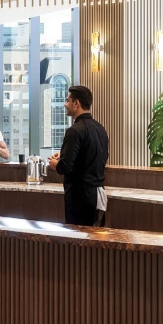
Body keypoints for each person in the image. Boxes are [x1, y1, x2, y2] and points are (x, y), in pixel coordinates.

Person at [48, 85, 109, 227]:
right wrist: (64, 154)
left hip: (80, 198)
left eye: (67, 100)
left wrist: (55, 164)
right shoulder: (100, 129)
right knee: (95, 241)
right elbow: (96, 157)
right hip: (99, 194)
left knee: (78, 243)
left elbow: (65, 167)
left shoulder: (74, 131)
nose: (65, 104)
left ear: (76, 103)